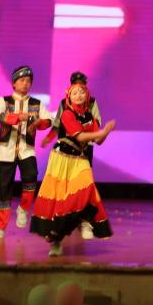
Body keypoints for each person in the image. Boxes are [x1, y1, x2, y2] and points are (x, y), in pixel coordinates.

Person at [31, 78, 116, 256]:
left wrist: (105, 133)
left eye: (81, 92)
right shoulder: (67, 114)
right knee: (61, 200)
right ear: (69, 97)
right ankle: (56, 240)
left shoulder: (90, 117)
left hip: (80, 158)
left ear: (87, 96)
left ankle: (85, 220)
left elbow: (98, 141)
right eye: (74, 93)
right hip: (62, 159)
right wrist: (101, 132)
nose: (78, 95)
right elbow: (80, 137)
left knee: (87, 187)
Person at [0, 65, 53, 239]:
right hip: (6, 150)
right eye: (22, 80)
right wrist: (18, 117)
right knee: (3, 188)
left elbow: (49, 120)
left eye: (28, 81)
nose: (25, 83)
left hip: (26, 149)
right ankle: (0, 226)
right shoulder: (4, 101)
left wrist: (38, 123)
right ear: (14, 83)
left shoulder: (36, 103)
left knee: (31, 175)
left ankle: (23, 208)